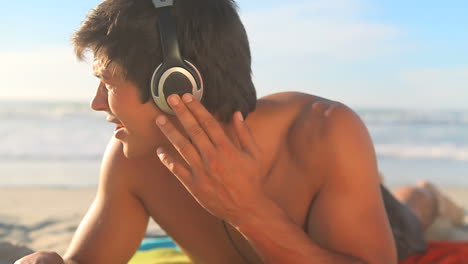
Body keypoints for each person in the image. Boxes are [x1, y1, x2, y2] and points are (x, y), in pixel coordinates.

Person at [15, 0, 463, 263]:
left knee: (409, 213)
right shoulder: (133, 160)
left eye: (108, 84)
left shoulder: (324, 132)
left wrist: (247, 211)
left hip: (366, 224)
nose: (96, 104)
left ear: (174, 84)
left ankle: (427, 193)